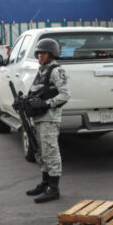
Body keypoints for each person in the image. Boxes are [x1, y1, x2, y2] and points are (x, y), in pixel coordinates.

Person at [23, 38, 71, 204]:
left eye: (43, 53)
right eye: (39, 53)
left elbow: (65, 95)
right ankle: (45, 183)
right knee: (41, 153)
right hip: (38, 118)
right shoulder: (42, 71)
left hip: (49, 119)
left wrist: (45, 104)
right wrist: (24, 101)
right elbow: (36, 93)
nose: (40, 56)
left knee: (51, 152)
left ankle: (54, 188)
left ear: (51, 54)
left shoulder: (56, 71)